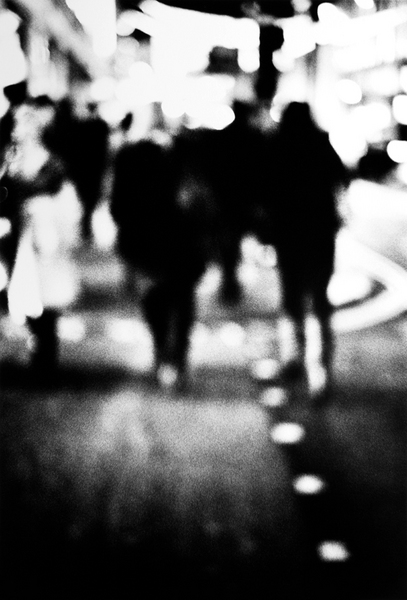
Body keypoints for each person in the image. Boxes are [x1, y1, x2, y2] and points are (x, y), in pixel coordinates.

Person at [272, 101, 350, 386]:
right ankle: (322, 363)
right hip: (319, 229)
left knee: (291, 294)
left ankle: (293, 356)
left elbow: (265, 187)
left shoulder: (278, 146)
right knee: (319, 295)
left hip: (288, 231)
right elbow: (342, 178)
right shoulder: (320, 143)